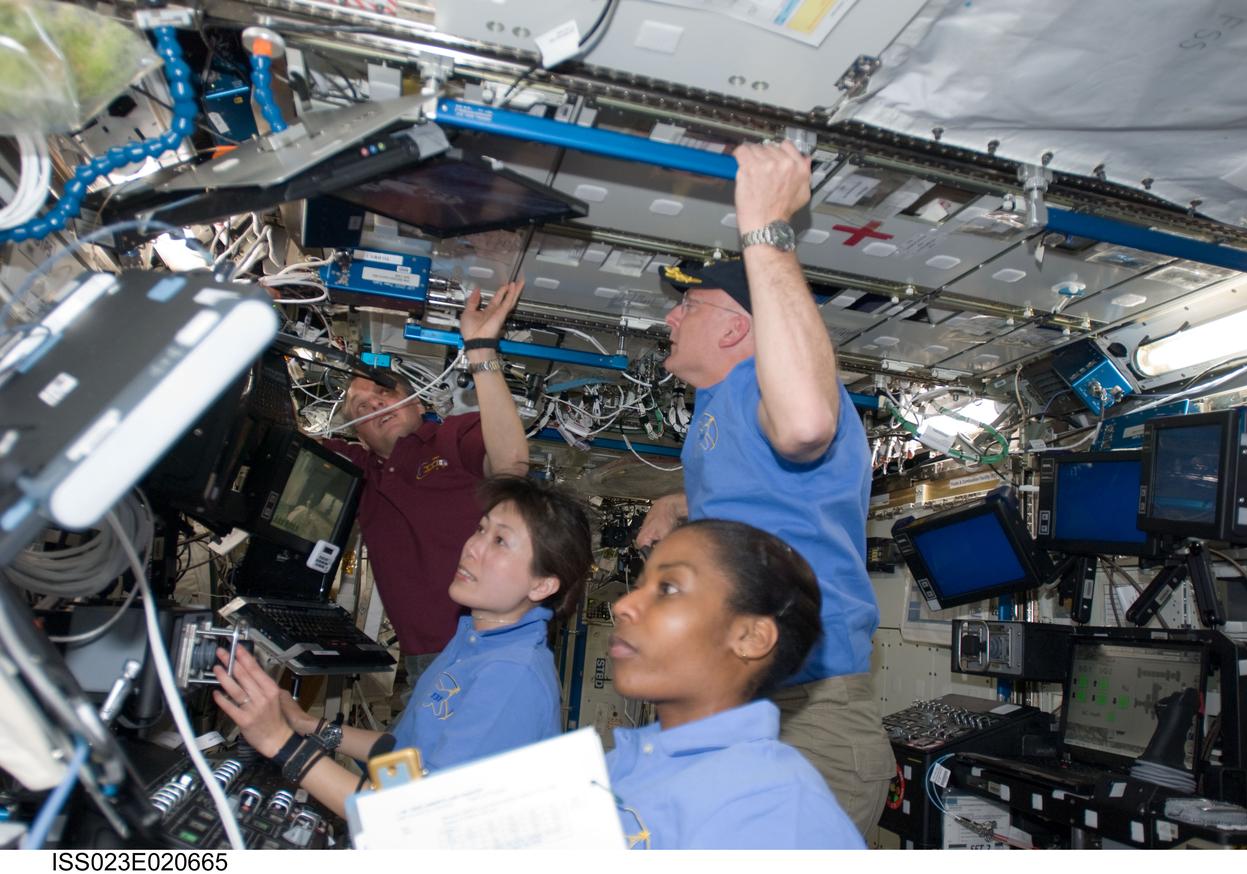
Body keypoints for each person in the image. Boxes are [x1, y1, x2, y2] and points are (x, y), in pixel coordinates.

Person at [635, 140, 895, 837]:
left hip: (811, 709)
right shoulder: (719, 408)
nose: (672, 317)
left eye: (689, 305)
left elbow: (806, 425)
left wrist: (767, 232)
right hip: (747, 700)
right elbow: (776, 498)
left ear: (738, 329)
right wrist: (683, 505)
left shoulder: (768, 387)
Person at [211, 475, 593, 818]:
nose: (472, 547)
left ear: (541, 585)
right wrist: (309, 726)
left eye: (499, 541)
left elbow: (420, 825)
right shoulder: (477, 641)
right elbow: (405, 752)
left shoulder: (511, 675)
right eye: (480, 529)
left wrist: (282, 744)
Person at [322, 280, 530, 695]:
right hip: (424, 661)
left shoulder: (451, 438)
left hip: (487, 645)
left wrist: (481, 352)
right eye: (360, 408)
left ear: (417, 402)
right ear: (356, 434)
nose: (374, 405)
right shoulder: (359, 473)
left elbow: (511, 465)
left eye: (384, 393)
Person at [606, 519, 865, 849]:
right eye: (640, 586)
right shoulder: (623, 764)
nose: (624, 605)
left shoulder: (774, 814)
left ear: (750, 637)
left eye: (668, 588)